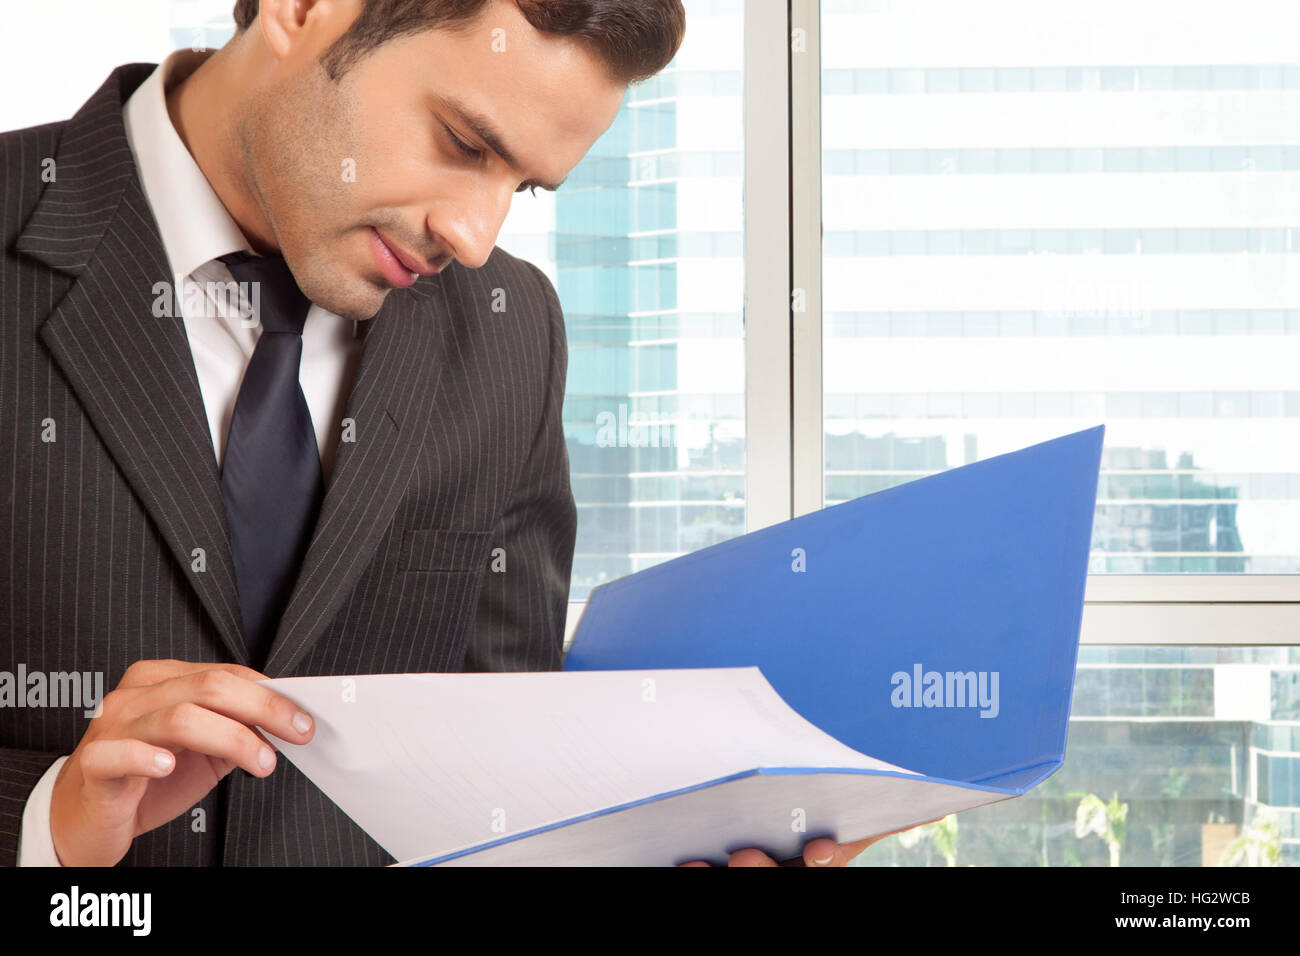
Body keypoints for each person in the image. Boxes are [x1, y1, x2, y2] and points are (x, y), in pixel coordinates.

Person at [0, 0, 910, 867]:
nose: (474, 237)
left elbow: (499, 791)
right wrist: (55, 826)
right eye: (464, 142)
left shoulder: (510, 331)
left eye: (524, 186)